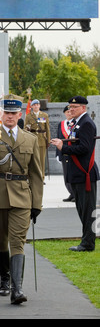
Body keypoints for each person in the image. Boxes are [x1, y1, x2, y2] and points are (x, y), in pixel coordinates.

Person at [0, 94, 43, 304]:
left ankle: (17, 288)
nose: (10, 116)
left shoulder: (30, 139)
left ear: (20, 114)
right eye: (7, 113)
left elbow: (36, 174)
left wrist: (36, 204)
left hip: (22, 196)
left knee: (18, 242)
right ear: (1, 114)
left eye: (14, 113)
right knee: (0, 239)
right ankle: (5, 277)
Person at [51, 96, 99, 252]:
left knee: (87, 210)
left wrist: (62, 147)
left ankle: (88, 243)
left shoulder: (86, 123)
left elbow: (84, 148)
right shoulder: (77, 123)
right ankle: (86, 241)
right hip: (77, 173)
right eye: (70, 106)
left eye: (74, 107)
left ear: (83, 108)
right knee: (82, 209)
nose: (70, 109)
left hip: (84, 172)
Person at [24, 99, 50, 180]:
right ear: (31, 106)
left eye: (37, 105)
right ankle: (33, 176)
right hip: (32, 140)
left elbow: (47, 129)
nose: (36, 106)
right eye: (34, 105)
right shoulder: (28, 116)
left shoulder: (44, 115)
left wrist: (48, 140)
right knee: (33, 159)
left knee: (42, 160)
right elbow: (25, 128)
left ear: (39, 106)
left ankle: (41, 177)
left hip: (42, 139)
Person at [55, 106, 75, 202]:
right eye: (67, 112)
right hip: (64, 153)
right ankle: (71, 192)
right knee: (66, 174)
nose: (69, 113)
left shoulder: (76, 123)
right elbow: (58, 139)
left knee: (73, 173)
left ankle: (76, 193)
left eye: (70, 111)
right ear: (64, 113)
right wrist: (58, 154)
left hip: (73, 152)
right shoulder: (61, 124)